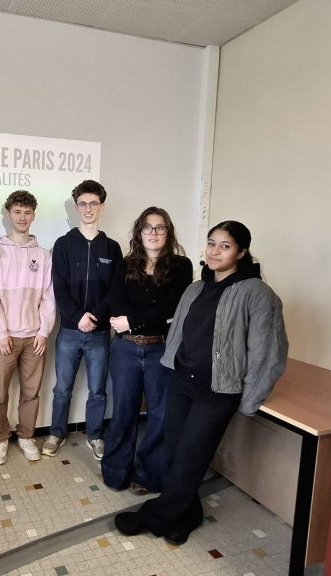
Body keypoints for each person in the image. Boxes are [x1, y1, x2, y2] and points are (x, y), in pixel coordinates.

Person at [114, 220, 288, 546]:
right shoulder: (196, 288)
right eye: (211, 243)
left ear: (242, 252)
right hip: (182, 383)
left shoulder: (257, 293)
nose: (215, 251)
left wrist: (250, 399)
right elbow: (178, 333)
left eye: (225, 246)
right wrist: (171, 367)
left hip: (217, 390)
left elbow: (268, 353)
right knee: (175, 451)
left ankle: (154, 516)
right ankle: (188, 515)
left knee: (191, 458)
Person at [102, 207, 193, 494]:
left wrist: (131, 320)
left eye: (160, 227)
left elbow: (173, 307)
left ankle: (149, 476)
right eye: (148, 227)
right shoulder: (125, 265)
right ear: (139, 232)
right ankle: (116, 472)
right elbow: (115, 303)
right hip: (125, 350)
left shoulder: (181, 266)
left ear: (168, 232)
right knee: (123, 413)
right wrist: (143, 318)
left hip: (161, 350)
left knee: (160, 416)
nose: (153, 233)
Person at [42, 180, 122, 460]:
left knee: (98, 390)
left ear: (102, 207)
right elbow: (59, 287)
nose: (88, 209)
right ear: (76, 207)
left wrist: (95, 317)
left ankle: (95, 435)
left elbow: (115, 291)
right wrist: (78, 317)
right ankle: (56, 433)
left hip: (99, 333)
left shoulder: (112, 248)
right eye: (83, 204)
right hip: (69, 331)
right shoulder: (63, 245)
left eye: (93, 203)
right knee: (62, 388)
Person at [0, 190, 56, 465]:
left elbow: (49, 296)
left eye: (27, 212)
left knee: (31, 392)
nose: (22, 217)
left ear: (33, 215)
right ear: (8, 214)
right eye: (17, 212)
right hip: (5, 338)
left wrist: (44, 331)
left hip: (34, 338)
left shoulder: (43, 255)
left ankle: (26, 436)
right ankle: (0, 438)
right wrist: (0, 333)